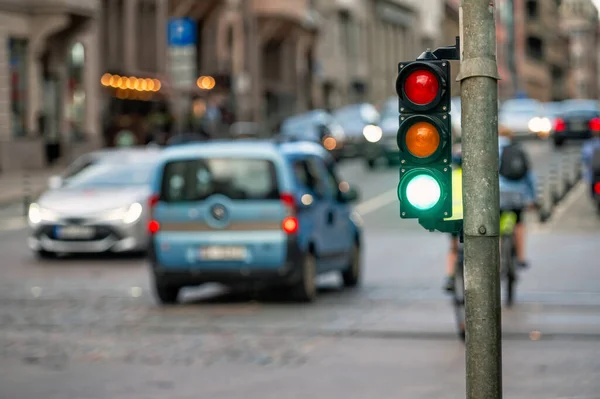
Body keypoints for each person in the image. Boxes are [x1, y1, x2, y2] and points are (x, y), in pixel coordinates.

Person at [443, 125, 536, 292]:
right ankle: (521, 257)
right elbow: (529, 176)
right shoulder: (517, 149)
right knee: (519, 223)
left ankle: (497, 262)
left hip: (496, 195)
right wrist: (532, 199)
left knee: (495, 230)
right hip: (517, 195)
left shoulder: (487, 149)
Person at [581, 128, 600, 198]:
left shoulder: (588, 144)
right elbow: (585, 158)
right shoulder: (589, 144)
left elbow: (584, 158)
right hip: (593, 172)